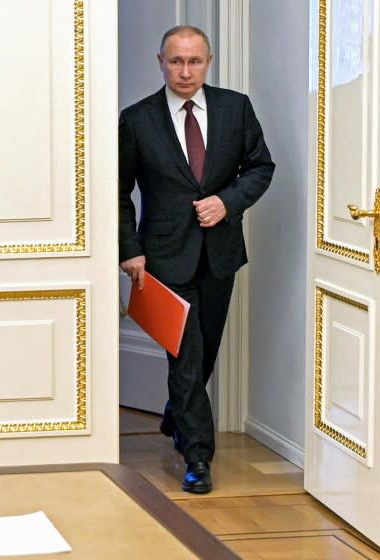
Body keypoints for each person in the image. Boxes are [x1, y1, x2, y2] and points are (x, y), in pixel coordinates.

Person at [119, 25, 274, 494]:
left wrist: (228, 201)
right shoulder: (137, 118)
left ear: (208, 61)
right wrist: (130, 250)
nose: (185, 71)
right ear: (160, 61)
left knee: (204, 352)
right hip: (164, 257)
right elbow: (117, 192)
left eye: (194, 62)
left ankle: (175, 415)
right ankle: (198, 457)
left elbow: (261, 167)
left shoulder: (235, 107)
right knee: (184, 357)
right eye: (175, 62)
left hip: (220, 253)